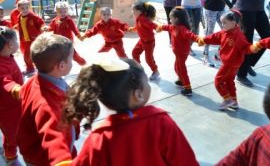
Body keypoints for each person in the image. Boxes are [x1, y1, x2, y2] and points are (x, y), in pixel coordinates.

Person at [63, 58, 199, 166]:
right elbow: (186, 161)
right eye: (146, 81)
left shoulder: (99, 138)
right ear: (138, 95)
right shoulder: (160, 123)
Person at [17, 33, 79, 165]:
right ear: (61, 66)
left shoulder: (34, 80)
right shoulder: (48, 107)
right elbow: (54, 139)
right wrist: (64, 162)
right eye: (71, 60)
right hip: (43, 158)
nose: (72, 63)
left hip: (33, 147)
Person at [197, 10, 252, 110]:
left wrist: (253, 48)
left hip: (231, 63)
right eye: (222, 23)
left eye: (224, 23)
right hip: (230, 63)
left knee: (218, 81)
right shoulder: (225, 32)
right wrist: (203, 40)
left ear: (233, 23)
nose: (222, 25)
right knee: (229, 81)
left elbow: (245, 48)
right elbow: (214, 37)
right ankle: (234, 102)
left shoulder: (238, 35)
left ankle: (227, 100)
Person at [156, 7, 199, 96]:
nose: (170, 20)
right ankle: (181, 80)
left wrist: (198, 39)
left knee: (181, 69)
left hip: (182, 53)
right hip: (178, 53)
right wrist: (160, 27)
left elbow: (190, 35)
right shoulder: (173, 26)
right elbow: (167, 27)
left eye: (171, 18)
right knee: (177, 67)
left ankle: (188, 88)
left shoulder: (182, 28)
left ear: (176, 19)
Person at [0, 27, 23, 165]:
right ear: (10, 44)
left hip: (13, 105)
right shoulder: (1, 65)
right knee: (12, 135)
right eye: (16, 40)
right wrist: (20, 89)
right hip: (7, 109)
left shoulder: (7, 57)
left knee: (11, 133)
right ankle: (11, 158)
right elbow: (6, 82)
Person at [43, 1, 86, 65]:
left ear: (67, 11)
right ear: (57, 12)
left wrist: (79, 36)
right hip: (57, 41)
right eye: (60, 12)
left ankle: (83, 63)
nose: (63, 13)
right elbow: (51, 28)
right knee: (58, 54)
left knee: (73, 54)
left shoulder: (69, 20)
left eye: (65, 12)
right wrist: (47, 28)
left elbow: (74, 29)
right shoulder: (55, 20)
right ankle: (59, 66)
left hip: (67, 41)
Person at [131, 2, 160, 81]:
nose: (132, 13)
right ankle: (139, 70)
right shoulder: (139, 18)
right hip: (142, 40)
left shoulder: (143, 19)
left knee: (148, 59)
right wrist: (133, 28)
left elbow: (151, 24)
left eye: (134, 11)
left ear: (139, 11)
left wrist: (158, 28)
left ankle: (155, 71)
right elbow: (139, 26)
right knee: (135, 53)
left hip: (149, 42)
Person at [16, 0, 45, 76]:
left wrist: (42, 27)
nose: (25, 10)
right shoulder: (19, 17)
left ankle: (31, 68)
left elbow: (40, 21)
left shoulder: (32, 16)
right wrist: (17, 27)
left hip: (33, 38)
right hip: (25, 39)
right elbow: (21, 25)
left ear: (29, 8)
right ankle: (34, 66)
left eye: (27, 8)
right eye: (22, 8)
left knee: (28, 55)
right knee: (30, 53)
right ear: (18, 9)